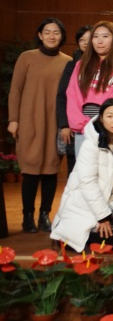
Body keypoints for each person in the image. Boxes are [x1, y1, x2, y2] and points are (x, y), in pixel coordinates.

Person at [9, 18, 72, 233]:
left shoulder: (67, 61)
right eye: (47, 32)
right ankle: (27, 216)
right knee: (31, 169)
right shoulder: (26, 57)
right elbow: (15, 90)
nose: (51, 36)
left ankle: (45, 215)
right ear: (40, 35)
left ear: (62, 36)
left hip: (55, 122)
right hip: (29, 120)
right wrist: (13, 119)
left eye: (56, 32)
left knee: (50, 170)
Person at [50, 98, 113, 252]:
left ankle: (107, 229)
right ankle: (67, 235)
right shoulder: (90, 144)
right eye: (109, 116)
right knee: (111, 245)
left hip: (107, 199)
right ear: (101, 119)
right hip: (84, 204)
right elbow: (87, 183)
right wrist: (103, 217)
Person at [66, 21, 113, 161]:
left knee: (111, 168)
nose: (100, 41)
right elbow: (72, 95)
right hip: (84, 128)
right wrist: (83, 125)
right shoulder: (81, 64)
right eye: (95, 36)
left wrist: (106, 122)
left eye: (105, 36)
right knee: (85, 168)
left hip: (111, 128)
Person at [56, 24, 91, 174]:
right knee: (75, 170)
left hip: (96, 124)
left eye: (89, 38)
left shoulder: (107, 64)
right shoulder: (72, 65)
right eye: (81, 40)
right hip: (74, 126)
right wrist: (64, 124)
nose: (86, 43)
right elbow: (62, 95)